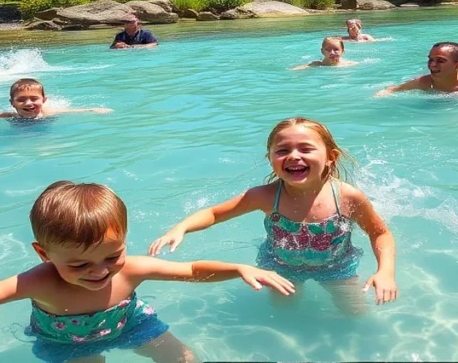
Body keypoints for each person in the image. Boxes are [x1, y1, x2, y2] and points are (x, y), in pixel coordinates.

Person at [0, 181, 294, 363]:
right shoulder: (39, 282)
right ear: (44, 253)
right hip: (65, 340)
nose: (99, 271)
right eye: (78, 264)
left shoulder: (132, 268)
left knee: (185, 360)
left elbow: (192, 268)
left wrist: (237, 268)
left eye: (111, 255)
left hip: (132, 322)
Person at [149, 117, 396, 314]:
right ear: (270, 159)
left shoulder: (347, 197)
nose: (294, 156)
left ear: (331, 157)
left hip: (336, 267)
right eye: (282, 150)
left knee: (356, 315)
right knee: (283, 314)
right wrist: (181, 227)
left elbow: (380, 233)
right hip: (280, 267)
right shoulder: (265, 196)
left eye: (306, 148)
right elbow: (214, 213)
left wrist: (385, 272)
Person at [0, 78, 113, 122]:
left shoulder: (49, 112)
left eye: (34, 99)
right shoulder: (12, 115)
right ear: (12, 103)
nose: (28, 103)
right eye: (21, 100)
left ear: (43, 100)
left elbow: (71, 111)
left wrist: (94, 109)